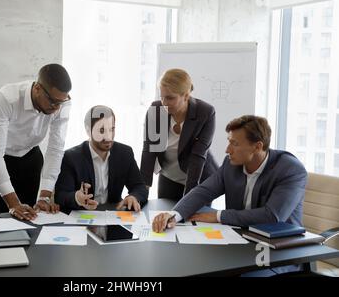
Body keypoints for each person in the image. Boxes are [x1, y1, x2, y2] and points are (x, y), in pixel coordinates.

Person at [152, 115, 307, 232]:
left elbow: (272, 216)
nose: (227, 150)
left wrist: (219, 216)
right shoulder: (231, 164)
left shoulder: (290, 170)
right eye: (229, 141)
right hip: (241, 238)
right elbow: (204, 191)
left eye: (235, 144)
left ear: (257, 147)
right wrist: (175, 215)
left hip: (281, 251)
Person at [0, 64, 72, 220]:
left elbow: (55, 150)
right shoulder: (5, 99)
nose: (57, 108)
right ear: (37, 88)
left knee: (32, 218)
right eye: (53, 102)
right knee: (0, 218)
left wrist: (44, 197)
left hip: (31, 159)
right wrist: (13, 203)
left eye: (61, 103)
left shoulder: (61, 102)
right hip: (2, 160)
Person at [141, 68, 218, 201]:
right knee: (164, 216)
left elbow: (197, 157)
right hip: (169, 175)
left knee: (190, 218)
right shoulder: (156, 110)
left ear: (186, 96)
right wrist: (141, 191)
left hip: (198, 178)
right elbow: (149, 150)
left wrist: (188, 200)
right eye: (162, 96)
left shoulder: (205, 112)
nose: (164, 103)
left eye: (170, 98)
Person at [54, 105, 148, 212]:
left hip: (113, 214)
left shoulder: (125, 153)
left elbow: (139, 186)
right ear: (88, 130)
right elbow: (61, 195)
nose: (108, 137)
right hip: (83, 215)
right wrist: (76, 197)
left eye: (111, 129)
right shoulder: (71, 157)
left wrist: (133, 197)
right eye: (101, 130)